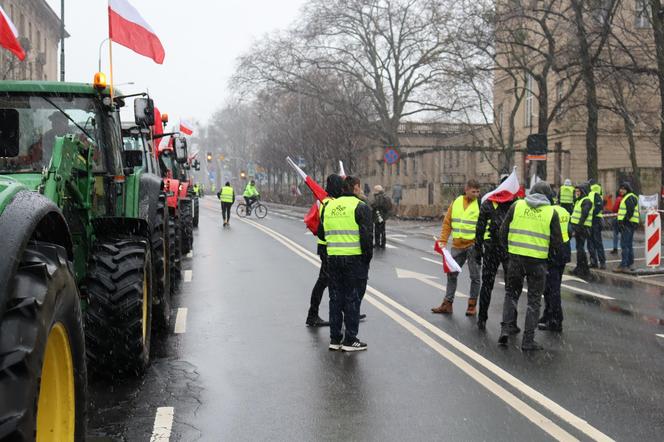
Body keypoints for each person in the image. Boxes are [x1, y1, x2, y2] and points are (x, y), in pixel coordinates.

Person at [498, 182, 562, 351]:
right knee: (533, 301)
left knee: (511, 294)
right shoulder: (551, 212)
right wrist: (547, 257)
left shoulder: (517, 205)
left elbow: (502, 232)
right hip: (537, 263)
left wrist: (510, 251)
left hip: (516, 260)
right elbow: (557, 242)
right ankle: (528, 340)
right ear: (548, 196)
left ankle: (506, 328)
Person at [319, 176, 373, 351]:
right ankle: (350, 339)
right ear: (356, 187)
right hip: (353, 259)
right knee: (352, 298)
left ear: (342, 189)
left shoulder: (328, 206)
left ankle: (335, 339)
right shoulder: (361, 207)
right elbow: (366, 238)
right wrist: (366, 260)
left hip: (333, 258)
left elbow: (321, 233)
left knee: (335, 298)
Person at [431, 179, 482, 316]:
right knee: (451, 274)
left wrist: (481, 244)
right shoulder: (457, 202)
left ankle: (472, 305)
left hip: (473, 246)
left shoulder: (481, 204)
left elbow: (484, 226)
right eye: (473, 191)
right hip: (457, 245)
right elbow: (448, 223)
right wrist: (442, 240)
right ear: (466, 189)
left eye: (478, 191)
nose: (476, 194)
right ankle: (447, 304)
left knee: (475, 276)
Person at [474, 176, 514, 330]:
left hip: (491, 248)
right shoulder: (515, 203)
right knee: (511, 287)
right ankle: (510, 322)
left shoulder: (488, 202)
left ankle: (482, 318)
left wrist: (478, 250)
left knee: (487, 284)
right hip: (508, 249)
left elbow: (480, 229)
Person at [306, 174, 344, 327]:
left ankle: (342, 312)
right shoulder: (328, 203)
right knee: (324, 282)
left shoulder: (326, 200)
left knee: (329, 281)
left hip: (326, 247)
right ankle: (313, 315)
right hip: (327, 248)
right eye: (340, 186)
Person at [539, 199, 571, 332]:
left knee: (551, 288)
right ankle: (548, 315)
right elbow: (570, 229)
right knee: (552, 287)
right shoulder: (563, 210)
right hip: (563, 250)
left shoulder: (547, 212)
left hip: (552, 251)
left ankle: (555, 320)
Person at [614, 182, 640, 273]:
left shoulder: (629, 197)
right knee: (628, 244)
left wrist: (623, 221)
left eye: (623, 189)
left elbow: (630, 212)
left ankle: (624, 265)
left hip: (628, 224)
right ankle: (629, 263)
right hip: (630, 224)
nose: (621, 190)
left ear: (627, 189)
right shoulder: (630, 197)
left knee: (625, 244)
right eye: (620, 188)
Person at [570, 183, 593, 277]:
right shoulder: (580, 200)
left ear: (583, 191)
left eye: (578, 191)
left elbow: (584, 215)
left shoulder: (586, 201)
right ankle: (580, 267)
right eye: (576, 191)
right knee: (579, 248)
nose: (577, 193)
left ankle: (582, 268)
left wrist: (578, 227)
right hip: (580, 227)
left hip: (582, 228)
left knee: (580, 249)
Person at [587, 181, 606, 269]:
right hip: (594, 221)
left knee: (594, 243)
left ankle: (598, 262)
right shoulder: (597, 194)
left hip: (594, 221)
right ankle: (597, 262)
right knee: (594, 243)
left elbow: (598, 207)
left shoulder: (593, 194)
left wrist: (591, 214)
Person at [610, 190, 623, 254]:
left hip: (617, 218)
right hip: (625, 219)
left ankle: (615, 248)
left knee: (615, 234)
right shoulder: (628, 198)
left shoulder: (618, 199)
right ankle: (624, 248)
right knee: (624, 235)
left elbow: (614, 209)